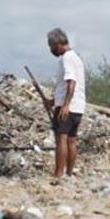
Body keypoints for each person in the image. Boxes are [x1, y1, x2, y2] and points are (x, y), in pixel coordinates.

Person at [45, 27, 87, 179]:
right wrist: (53, 101)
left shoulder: (67, 58)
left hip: (68, 106)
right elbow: (67, 85)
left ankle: (58, 174)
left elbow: (71, 82)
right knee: (71, 140)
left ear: (58, 44)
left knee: (61, 138)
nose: (51, 50)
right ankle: (68, 174)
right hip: (78, 106)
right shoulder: (76, 58)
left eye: (51, 46)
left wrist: (65, 105)